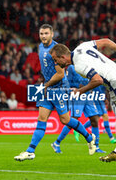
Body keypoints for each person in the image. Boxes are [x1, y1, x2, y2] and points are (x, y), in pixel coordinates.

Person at [50, 38, 116, 168]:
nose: (55, 63)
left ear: (63, 57)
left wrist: (80, 91)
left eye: (55, 60)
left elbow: (97, 80)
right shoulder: (83, 47)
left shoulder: (79, 65)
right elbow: (106, 41)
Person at [14, 24, 96, 161]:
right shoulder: (40, 47)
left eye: (46, 33)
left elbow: (59, 74)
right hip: (48, 88)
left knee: (65, 120)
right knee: (41, 119)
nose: (43, 36)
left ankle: (89, 138)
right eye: (41, 34)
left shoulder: (56, 50)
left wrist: (45, 85)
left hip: (59, 88)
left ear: (52, 34)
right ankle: (30, 151)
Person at [51, 65, 103, 153]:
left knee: (94, 119)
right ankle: (56, 143)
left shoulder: (89, 65)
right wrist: (77, 86)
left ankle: (96, 146)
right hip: (77, 95)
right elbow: (69, 81)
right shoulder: (72, 67)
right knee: (72, 120)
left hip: (87, 94)